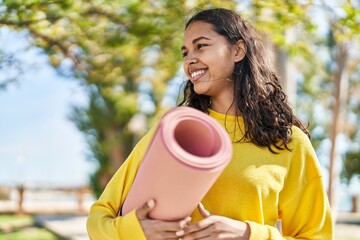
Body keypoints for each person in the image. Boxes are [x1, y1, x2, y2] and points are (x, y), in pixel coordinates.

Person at [87, 8, 333, 239]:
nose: (189, 60)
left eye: (201, 46)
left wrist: (248, 234)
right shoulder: (175, 133)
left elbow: (317, 235)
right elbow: (99, 218)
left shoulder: (287, 142)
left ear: (238, 51)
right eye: (185, 53)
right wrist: (136, 231)